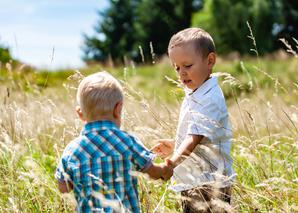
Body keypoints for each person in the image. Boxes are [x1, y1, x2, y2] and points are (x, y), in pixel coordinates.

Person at [55, 71, 173, 213]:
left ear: (80, 113)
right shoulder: (127, 142)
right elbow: (152, 172)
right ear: (118, 109)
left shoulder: (72, 150)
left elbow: (64, 188)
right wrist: (165, 170)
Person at [152, 27, 235, 213]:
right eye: (177, 68)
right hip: (193, 180)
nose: (181, 73)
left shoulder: (210, 98)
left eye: (187, 66)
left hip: (208, 184)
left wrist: (172, 162)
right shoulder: (195, 93)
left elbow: (194, 138)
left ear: (210, 61)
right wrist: (175, 145)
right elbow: (201, 138)